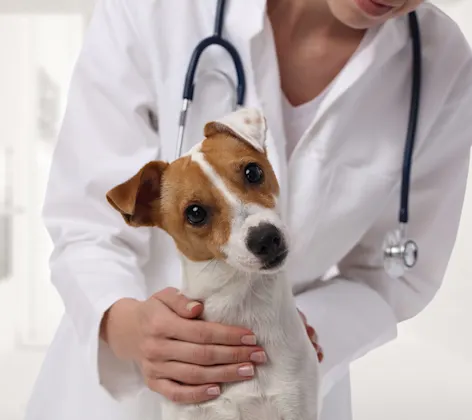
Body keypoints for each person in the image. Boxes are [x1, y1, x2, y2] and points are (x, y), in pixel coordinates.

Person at [24, 0, 472, 419]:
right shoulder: (157, 10)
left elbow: (400, 272)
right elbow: (86, 222)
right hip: (124, 386)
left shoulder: (441, 63)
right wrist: (130, 329)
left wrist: (297, 333)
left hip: (290, 380)